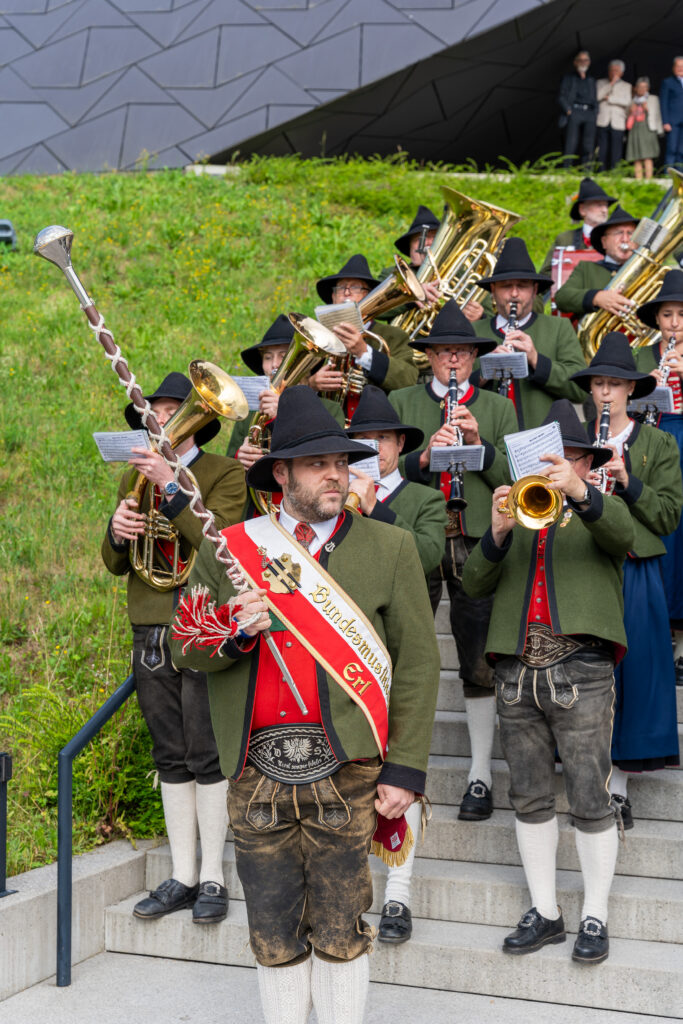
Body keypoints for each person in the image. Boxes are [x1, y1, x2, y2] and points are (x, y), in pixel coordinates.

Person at [169, 387, 440, 1024]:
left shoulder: (389, 547)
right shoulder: (229, 546)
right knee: (271, 932)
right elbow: (186, 645)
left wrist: (405, 771)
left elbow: (420, 664)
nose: (335, 475)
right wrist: (235, 630)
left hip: (347, 770)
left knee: (342, 927)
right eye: (318, 464)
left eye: (342, 463)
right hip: (256, 771)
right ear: (282, 474)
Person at [462, 399, 634, 965]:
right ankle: (546, 912)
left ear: (586, 461)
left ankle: (595, 913)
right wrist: (496, 532)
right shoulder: (519, 508)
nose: (556, 467)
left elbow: (626, 535)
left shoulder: (596, 507)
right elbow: (473, 583)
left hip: (581, 668)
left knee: (589, 796)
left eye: (568, 458)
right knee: (529, 795)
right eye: (545, 460)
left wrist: (581, 495)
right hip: (516, 670)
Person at [101, 372, 246, 924]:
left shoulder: (223, 473)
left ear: (197, 418)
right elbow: (117, 564)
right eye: (155, 412)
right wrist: (117, 532)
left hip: (201, 625)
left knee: (206, 753)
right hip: (150, 627)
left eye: (171, 410)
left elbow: (222, 545)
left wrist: (171, 487)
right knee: (170, 755)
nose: (159, 420)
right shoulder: (131, 479)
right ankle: (182, 874)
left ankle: (213, 875)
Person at [390, 301, 517, 822]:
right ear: (430, 358)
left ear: (474, 357)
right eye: (444, 352)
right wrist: (423, 458)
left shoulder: (497, 408)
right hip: (415, 533)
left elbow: (518, 470)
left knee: (479, 658)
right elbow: (374, 465)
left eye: (462, 351)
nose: (453, 359)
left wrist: (477, 445)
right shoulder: (401, 400)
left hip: (474, 536)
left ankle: (480, 774)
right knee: (407, 652)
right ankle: (399, 768)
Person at [345, 384, 447, 944]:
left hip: (401, 650)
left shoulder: (422, 499)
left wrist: (374, 506)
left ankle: (400, 895)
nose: (372, 448)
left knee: (401, 772)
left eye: (382, 438)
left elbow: (429, 556)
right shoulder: (336, 499)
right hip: (347, 653)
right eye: (361, 438)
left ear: (398, 444)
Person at [570, 334, 682, 829]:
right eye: (599, 383)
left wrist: (627, 480)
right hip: (586, 563)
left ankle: (619, 788)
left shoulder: (657, 442)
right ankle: (589, 778)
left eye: (616, 383)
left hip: (636, 566)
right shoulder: (575, 441)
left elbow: (667, 515)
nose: (607, 392)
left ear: (631, 390)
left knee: (633, 674)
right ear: (591, 390)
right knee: (585, 674)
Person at [472, 237, 586, 428]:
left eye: (522, 286)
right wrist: (484, 373)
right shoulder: (474, 332)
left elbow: (580, 389)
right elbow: (451, 392)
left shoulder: (558, 328)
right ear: (493, 290)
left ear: (534, 291)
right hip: (487, 438)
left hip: (541, 442)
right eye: (506, 286)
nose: (514, 294)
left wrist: (536, 360)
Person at [635, 269, 683, 683]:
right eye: (667, 315)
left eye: (681, 315)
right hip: (655, 443)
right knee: (662, 532)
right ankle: (662, 633)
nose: (674, 323)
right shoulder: (643, 356)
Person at [227, 314, 344, 476]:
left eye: (283, 356)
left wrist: (282, 415)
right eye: (268, 357)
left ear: (305, 364)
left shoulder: (330, 409)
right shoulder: (251, 411)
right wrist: (239, 459)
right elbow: (228, 468)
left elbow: (329, 458)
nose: (274, 364)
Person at [308, 254, 418, 421]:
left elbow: (408, 381)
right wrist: (312, 385)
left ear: (369, 295)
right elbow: (291, 385)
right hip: (328, 428)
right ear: (332, 297)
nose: (346, 293)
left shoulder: (394, 336)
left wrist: (365, 353)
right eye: (340, 288)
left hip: (378, 425)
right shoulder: (316, 337)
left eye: (355, 287)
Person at [554, 205, 638, 318]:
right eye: (618, 233)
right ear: (604, 242)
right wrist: (596, 297)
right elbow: (562, 298)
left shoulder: (647, 270)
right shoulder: (586, 268)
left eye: (630, 233)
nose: (625, 239)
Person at [539, 177, 617, 280]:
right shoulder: (565, 239)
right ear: (582, 210)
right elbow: (546, 274)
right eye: (599, 205)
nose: (604, 210)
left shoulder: (617, 238)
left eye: (606, 206)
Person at [559, 50, 598, 169]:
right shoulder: (569, 78)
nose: (583, 62)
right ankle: (567, 169)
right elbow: (561, 96)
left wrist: (595, 112)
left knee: (588, 144)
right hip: (575, 111)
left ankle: (587, 171)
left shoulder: (591, 80)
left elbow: (594, 97)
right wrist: (568, 110)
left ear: (589, 62)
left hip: (589, 113)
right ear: (575, 62)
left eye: (585, 60)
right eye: (580, 60)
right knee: (571, 142)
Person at [596, 60, 632, 171]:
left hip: (618, 121)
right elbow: (597, 97)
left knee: (616, 149)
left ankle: (615, 172)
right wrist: (610, 84)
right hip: (603, 120)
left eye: (616, 70)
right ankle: (600, 171)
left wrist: (610, 99)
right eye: (611, 70)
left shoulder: (627, 86)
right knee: (602, 148)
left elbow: (627, 102)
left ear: (621, 72)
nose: (613, 73)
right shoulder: (600, 83)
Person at [625, 77, 664, 179]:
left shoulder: (653, 99)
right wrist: (630, 111)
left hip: (648, 129)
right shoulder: (632, 100)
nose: (642, 89)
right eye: (640, 87)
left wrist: (647, 109)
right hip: (635, 129)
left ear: (648, 88)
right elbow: (625, 115)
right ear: (636, 88)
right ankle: (638, 180)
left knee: (648, 156)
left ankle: (649, 180)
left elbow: (658, 115)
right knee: (636, 157)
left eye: (644, 87)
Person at [659, 56, 683, 168]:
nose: (680, 68)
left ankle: (680, 177)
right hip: (672, 122)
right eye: (678, 66)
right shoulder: (667, 82)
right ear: (673, 68)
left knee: (681, 151)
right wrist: (665, 121)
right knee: (672, 149)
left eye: (682, 66)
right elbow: (663, 103)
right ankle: (668, 177)